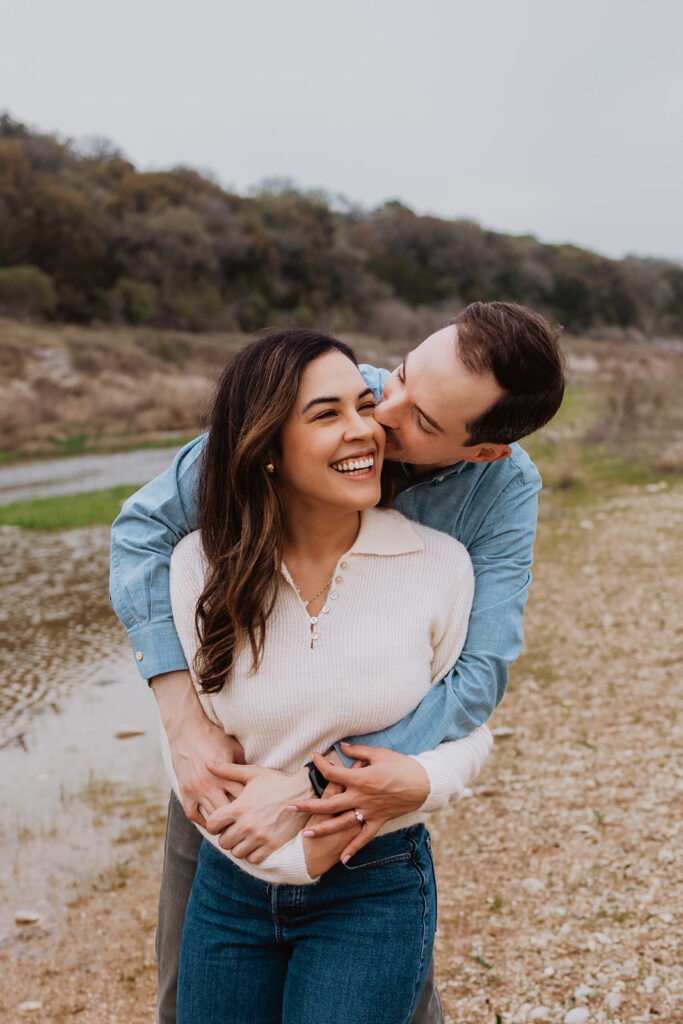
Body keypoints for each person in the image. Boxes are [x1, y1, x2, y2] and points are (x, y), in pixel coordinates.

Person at [109, 301, 566, 1023]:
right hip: (226, 781)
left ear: (480, 451)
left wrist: (327, 779)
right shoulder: (318, 401)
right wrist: (183, 721)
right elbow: (141, 533)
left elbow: (476, 680)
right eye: (402, 375)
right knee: (182, 1001)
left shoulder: (495, 498)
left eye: (422, 421)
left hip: (365, 829)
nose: (381, 416)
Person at [162, 330, 492, 1022]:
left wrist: (424, 780)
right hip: (228, 886)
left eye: (364, 405)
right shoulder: (200, 565)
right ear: (267, 449)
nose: (363, 431)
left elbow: (466, 730)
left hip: (369, 885)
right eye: (325, 414)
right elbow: (191, 734)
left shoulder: (439, 567)